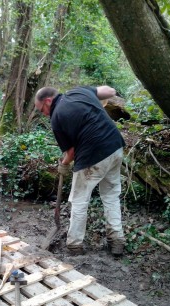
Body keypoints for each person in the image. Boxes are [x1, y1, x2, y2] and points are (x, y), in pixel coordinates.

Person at [35, 85, 126, 256]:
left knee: (79, 200)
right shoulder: (79, 91)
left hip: (93, 154)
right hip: (115, 147)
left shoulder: (56, 118)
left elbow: (71, 152)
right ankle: (117, 241)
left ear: (48, 101)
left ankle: (74, 244)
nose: (44, 114)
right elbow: (109, 91)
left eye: (42, 110)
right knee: (111, 196)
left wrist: (64, 164)